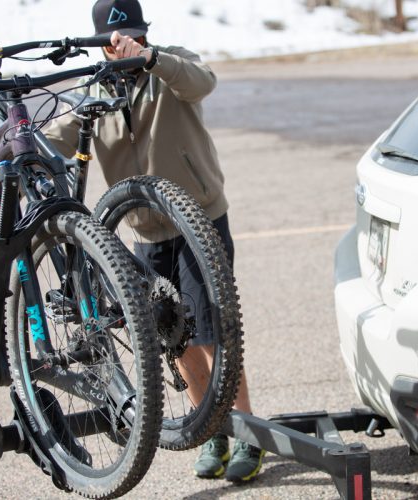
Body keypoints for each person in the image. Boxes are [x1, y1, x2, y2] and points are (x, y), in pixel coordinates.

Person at [43, 0, 264, 483]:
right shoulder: (95, 91)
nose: (125, 44)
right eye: (117, 38)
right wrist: (10, 141)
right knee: (176, 338)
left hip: (197, 220)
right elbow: (55, 137)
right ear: (101, 41)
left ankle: (247, 432)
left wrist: (150, 59)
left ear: (145, 33)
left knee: (213, 332)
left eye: (135, 35)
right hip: (145, 232)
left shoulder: (169, 65)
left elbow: (202, 80)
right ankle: (213, 434)